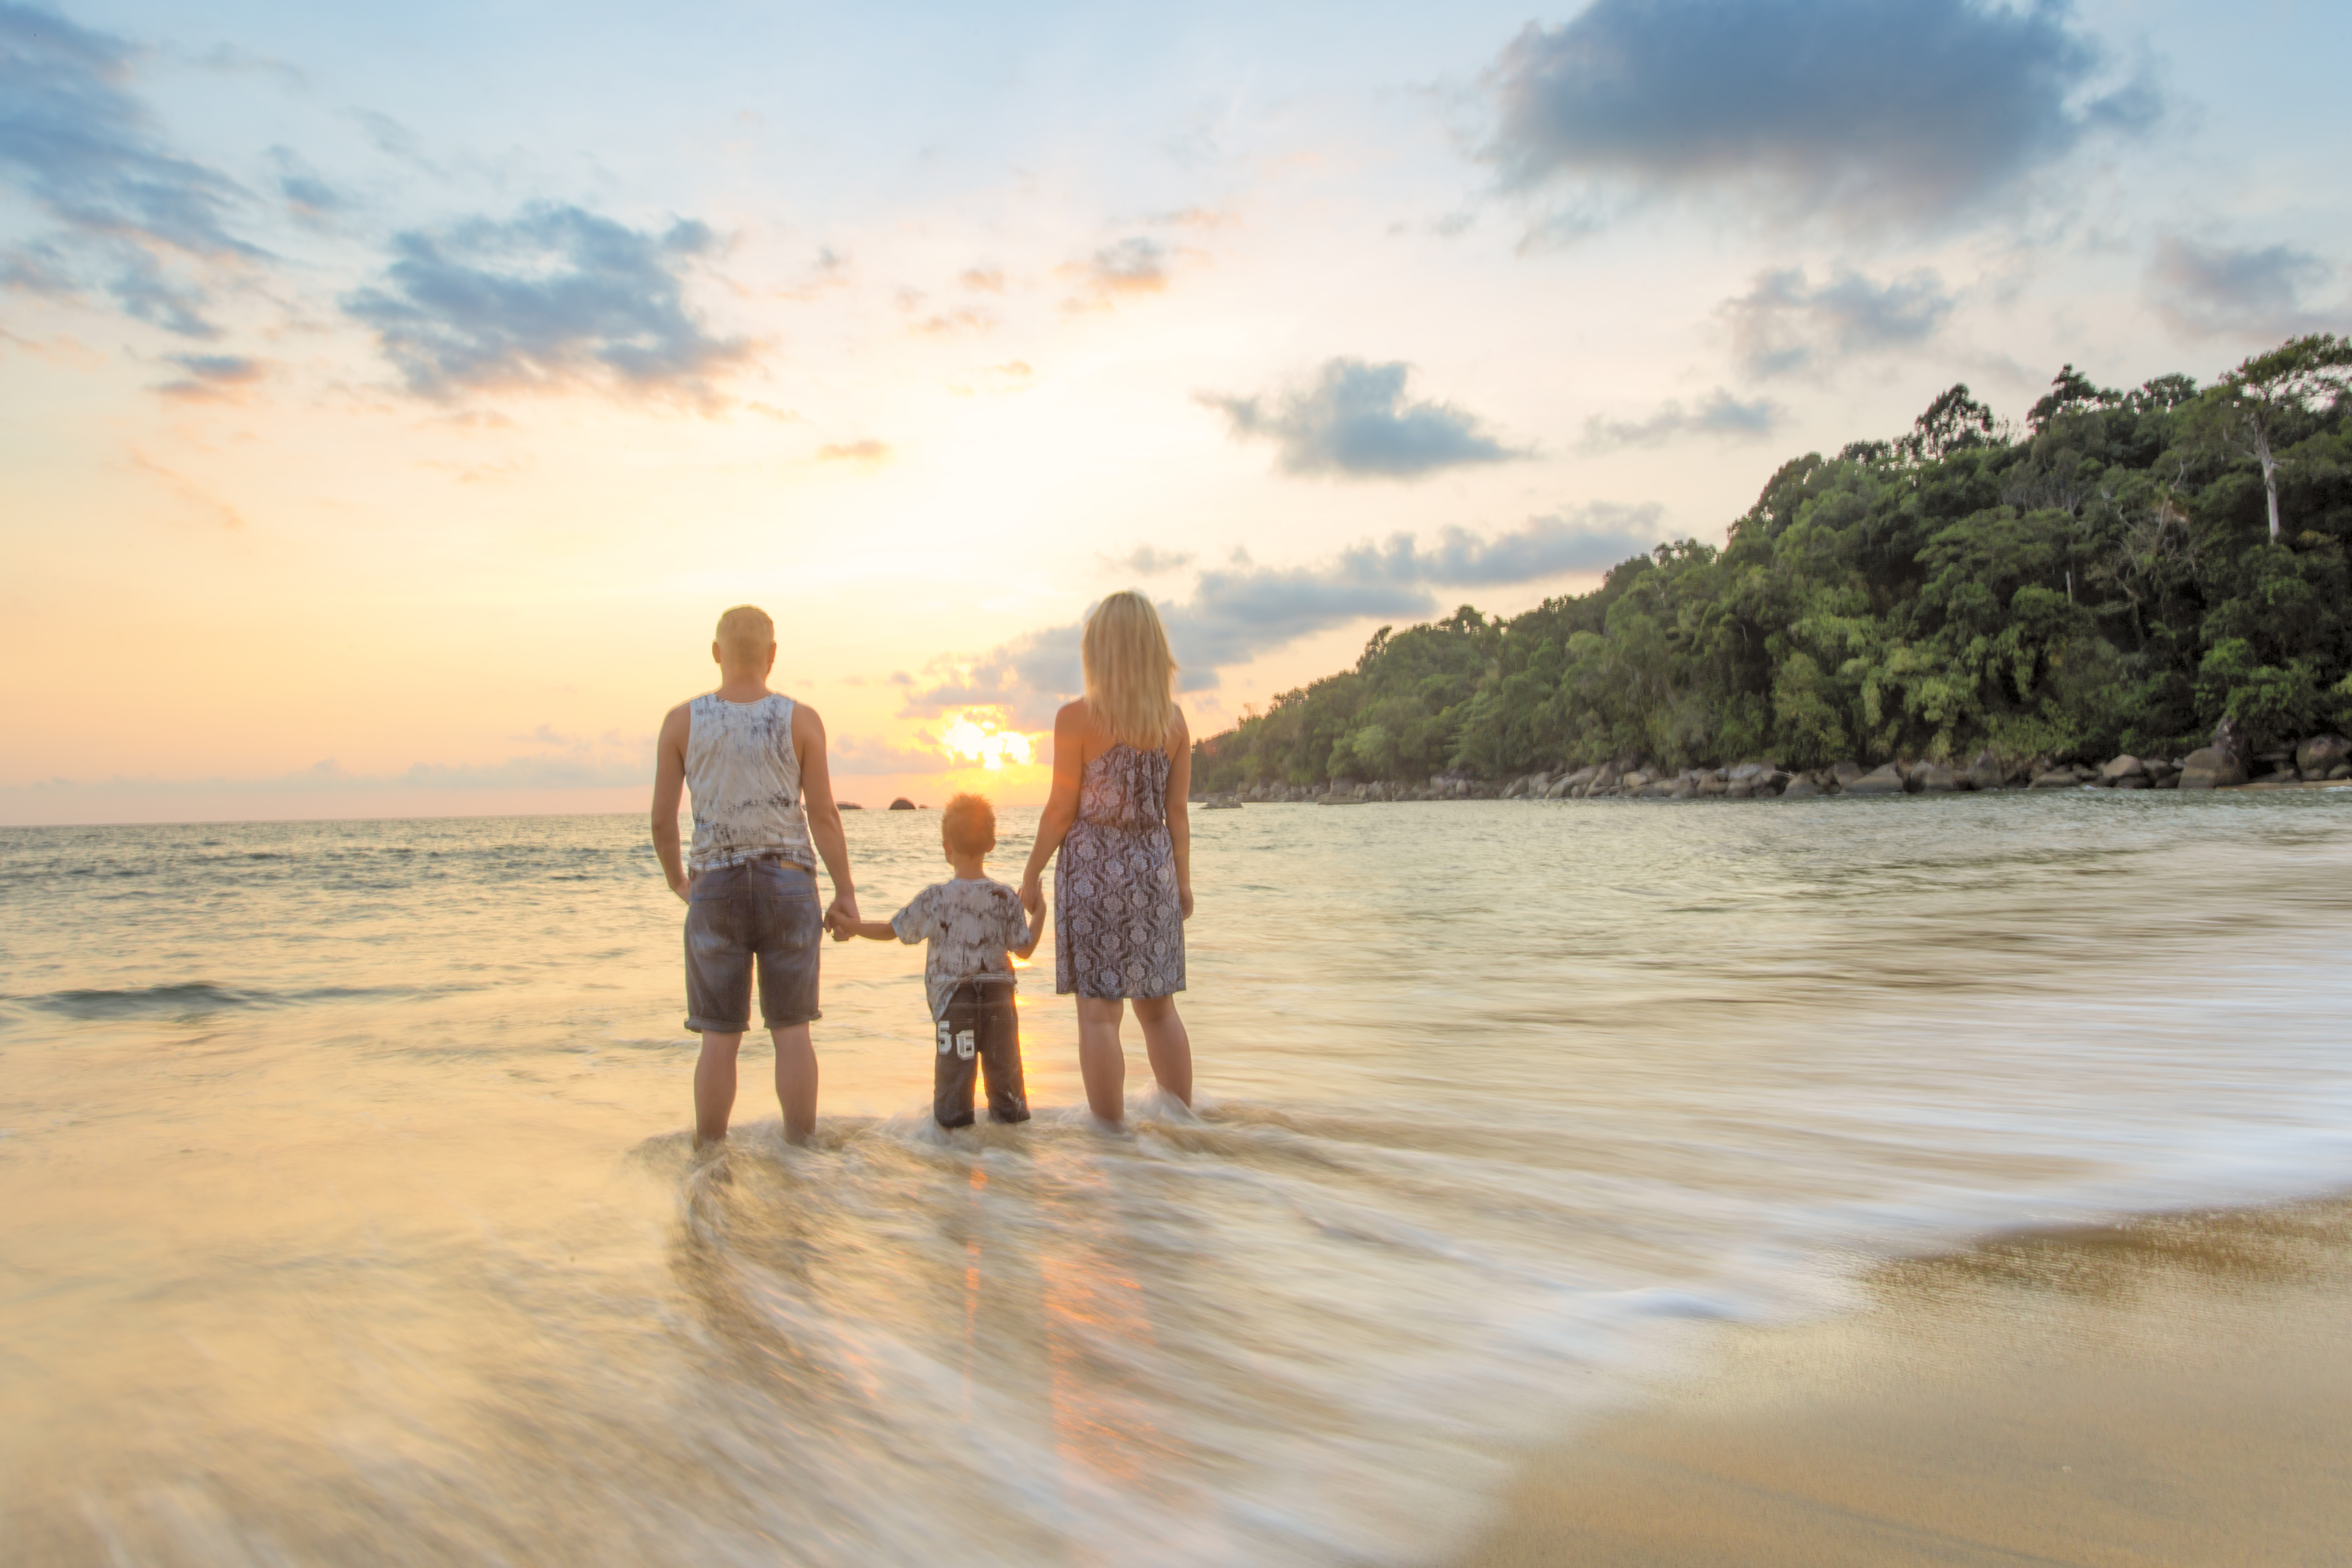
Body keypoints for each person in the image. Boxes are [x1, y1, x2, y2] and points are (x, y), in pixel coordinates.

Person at [651, 605, 859, 1147]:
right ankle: (801, 1155)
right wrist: (846, 891)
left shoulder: (681, 721)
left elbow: (661, 820)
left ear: (717, 654)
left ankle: (710, 1158)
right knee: (792, 1033)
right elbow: (824, 815)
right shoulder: (801, 719)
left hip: (715, 885)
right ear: (772, 656)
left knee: (719, 1039)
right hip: (789, 883)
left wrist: (680, 881)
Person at [1017, 590, 1194, 1127]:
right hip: (1153, 870)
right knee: (1159, 1007)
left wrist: (1031, 875)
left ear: (1099, 651)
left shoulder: (1076, 718)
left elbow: (1059, 810)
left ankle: (1113, 1142)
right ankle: (1184, 1127)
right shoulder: (1175, 722)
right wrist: (1183, 883)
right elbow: (1178, 813)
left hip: (1093, 873)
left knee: (1098, 1014)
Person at [833, 793, 1042, 1129]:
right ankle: (1011, 1160)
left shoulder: (935, 899)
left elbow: (891, 930)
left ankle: (953, 1163)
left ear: (947, 847)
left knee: (952, 1103)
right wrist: (1041, 912)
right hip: (999, 1004)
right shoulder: (1005, 897)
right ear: (992, 843)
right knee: (1009, 1100)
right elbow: (1025, 950)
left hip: (954, 1003)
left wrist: (850, 926)